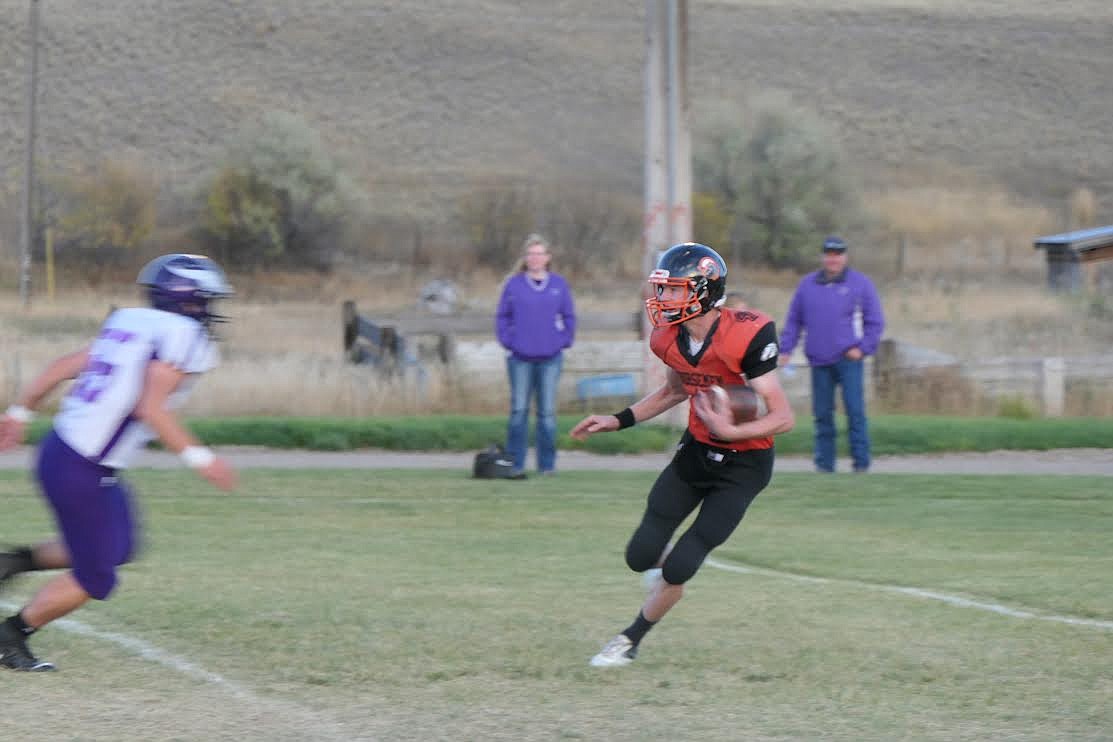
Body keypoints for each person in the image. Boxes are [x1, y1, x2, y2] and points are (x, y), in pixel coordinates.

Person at [0, 253, 238, 672]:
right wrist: (202, 458)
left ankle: (12, 562)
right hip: (82, 468)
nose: (212, 311)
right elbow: (152, 408)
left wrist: (19, 413)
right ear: (189, 300)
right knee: (97, 578)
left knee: (121, 544)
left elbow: (59, 368)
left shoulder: (132, 323)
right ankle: (11, 635)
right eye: (207, 300)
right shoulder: (183, 336)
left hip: (63, 452)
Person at [571, 242, 794, 667]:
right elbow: (675, 390)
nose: (663, 299)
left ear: (705, 291)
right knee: (639, 556)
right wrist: (618, 420)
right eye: (663, 289)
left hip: (744, 467)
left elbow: (783, 415)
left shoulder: (747, 333)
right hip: (696, 453)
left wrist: (733, 429)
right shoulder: (667, 337)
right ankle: (667, 570)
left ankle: (630, 640)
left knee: (679, 568)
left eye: (673, 290)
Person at [778, 235, 885, 473]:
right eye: (829, 254)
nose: (833, 259)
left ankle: (861, 464)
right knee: (822, 416)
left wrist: (864, 348)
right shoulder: (807, 285)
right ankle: (825, 465)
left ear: (844, 257)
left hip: (848, 360)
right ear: (823, 257)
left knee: (855, 413)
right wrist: (786, 348)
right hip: (819, 361)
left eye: (838, 255)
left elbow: (875, 321)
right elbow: (795, 320)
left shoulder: (860, 284)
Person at [495, 234, 577, 478]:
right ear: (525, 258)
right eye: (531, 254)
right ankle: (515, 463)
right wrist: (509, 341)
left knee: (547, 414)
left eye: (540, 253)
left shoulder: (558, 285)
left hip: (550, 358)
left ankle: (547, 465)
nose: (535, 258)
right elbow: (502, 317)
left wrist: (563, 340)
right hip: (520, 358)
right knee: (519, 411)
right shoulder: (514, 285)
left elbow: (569, 316)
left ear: (547, 258)